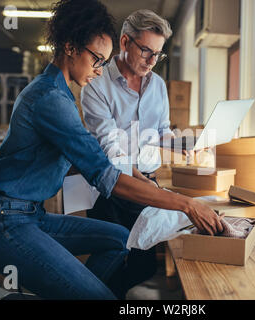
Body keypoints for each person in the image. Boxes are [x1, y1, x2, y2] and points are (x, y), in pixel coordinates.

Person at [0, 0, 222, 300]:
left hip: (30, 214)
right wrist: (186, 204)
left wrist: (137, 171)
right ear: (71, 47)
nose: (100, 70)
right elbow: (106, 175)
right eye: (97, 60)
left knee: (118, 239)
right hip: (2, 221)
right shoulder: (51, 100)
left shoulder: (60, 93)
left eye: (104, 61)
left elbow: (87, 161)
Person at [81, 9, 184, 294]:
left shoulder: (158, 86)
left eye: (158, 55)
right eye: (146, 51)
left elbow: (162, 130)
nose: (152, 62)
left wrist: (183, 143)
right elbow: (110, 148)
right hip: (110, 186)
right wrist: (145, 184)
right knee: (112, 256)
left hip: (147, 180)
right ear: (125, 42)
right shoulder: (96, 84)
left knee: (143, 264)